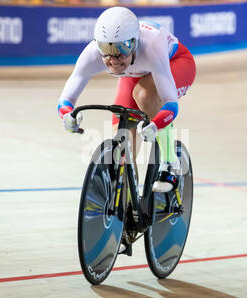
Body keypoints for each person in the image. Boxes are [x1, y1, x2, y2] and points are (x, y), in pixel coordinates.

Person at [58, 6, 196, 192]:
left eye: (122, 48)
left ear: (135, 42)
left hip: (176, 63)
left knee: (145, 95)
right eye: (106, 48)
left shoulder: (152, 47)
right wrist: (67, 115)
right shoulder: (92, 54)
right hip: (135, 72)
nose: (113, 59)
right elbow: (66, 97)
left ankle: (170, 162)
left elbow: (171, 103)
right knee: (121, 135)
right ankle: (130, 199)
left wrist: (155, 124)